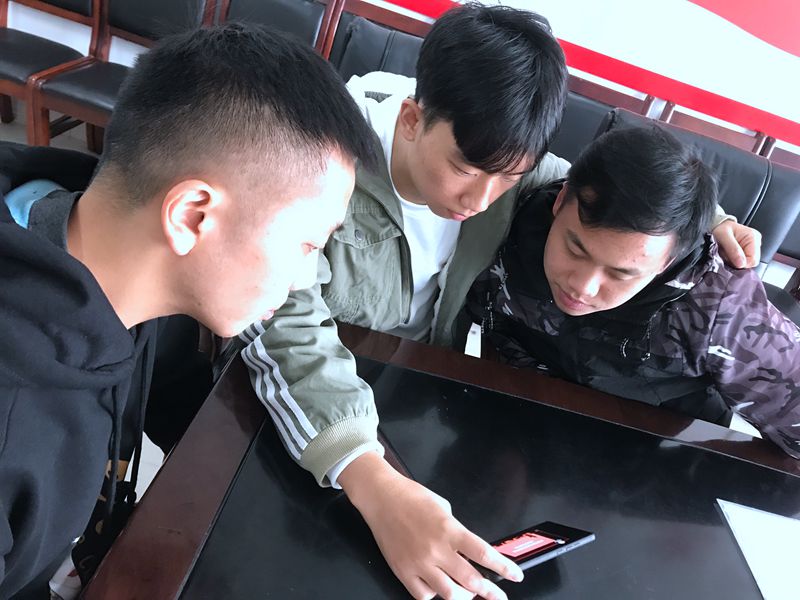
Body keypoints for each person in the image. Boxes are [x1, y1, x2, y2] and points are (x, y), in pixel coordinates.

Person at [238, 4, 763, 599]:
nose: (482, 200)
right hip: (288, 414)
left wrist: (710, 219)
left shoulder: (519, 173)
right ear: (411, 119)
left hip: (409, 409)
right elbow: (286, 331)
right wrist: (373, 481)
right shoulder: (315, 172)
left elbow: (619, 188)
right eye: (465, 169)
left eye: (509, 177)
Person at [0, 22, 376, 598]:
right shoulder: (13, 417)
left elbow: (193, 413)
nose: (307, 278)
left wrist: (369, 482)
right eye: (307, 245)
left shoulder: (130, 274)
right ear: (191, 215)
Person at [464, 126, 800, 458]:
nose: (582, 286)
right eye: (575, 249)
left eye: (620, 273)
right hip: (514, 428)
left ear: (669, 260)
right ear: (561, 200)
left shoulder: (722, 309)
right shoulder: (516, 214)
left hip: (656, 460)